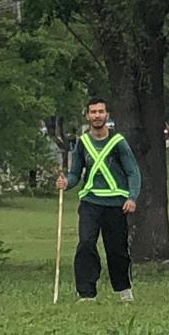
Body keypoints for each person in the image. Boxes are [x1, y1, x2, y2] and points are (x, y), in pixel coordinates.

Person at [56, 98, 141, 301]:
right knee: (86, 243)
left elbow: (132, 171)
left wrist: (132, 196)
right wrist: (67, 182)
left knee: (117, 248)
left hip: (115, 204)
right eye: (93, 112)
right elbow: (76, 173)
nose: (97, 116)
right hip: (90, 203)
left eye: (100, 112)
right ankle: (86, 292)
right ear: (87, 116)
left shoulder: (118, 142)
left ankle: (123, 289)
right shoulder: (83, 143)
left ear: (107, 115)